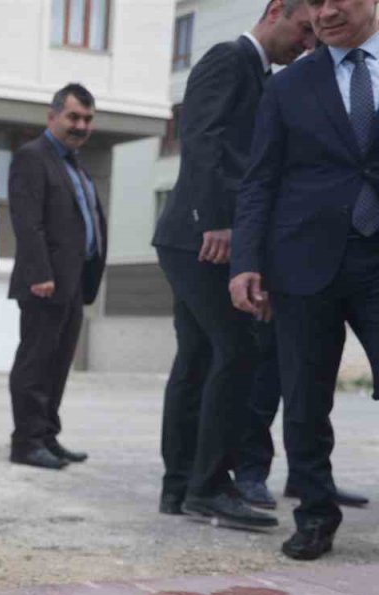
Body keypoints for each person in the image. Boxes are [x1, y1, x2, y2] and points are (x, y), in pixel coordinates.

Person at [153, 0, 316, 528]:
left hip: (196, 235)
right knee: (238, 349)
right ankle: (207, 486)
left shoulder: (262, 75)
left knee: (197, 357)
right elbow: (201, 139)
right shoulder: (228, 58)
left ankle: (180, 486)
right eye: (304, 30)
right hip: (201, 237)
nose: (308, 45)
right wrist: (218, 220)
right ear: (276, 11)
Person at [231, 0, 379, 560]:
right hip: (303, 262)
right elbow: (259, 180)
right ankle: (315, 514)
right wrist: (247, 261)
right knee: (304, 402)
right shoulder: (289, 86)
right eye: (313, 3)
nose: (325, 12)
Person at [6, 83, 108, 470]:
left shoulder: (74, 164)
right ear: (52, 117)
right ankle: (26, 442)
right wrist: (39, 273)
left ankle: (46, 436)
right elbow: (27, 221)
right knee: (35, 364)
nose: (81, 125)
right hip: (44, 283)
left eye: (87, 119)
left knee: (59, 363)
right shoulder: (32, 157)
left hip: (73, 283)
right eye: (73, 117)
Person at [233, 319, 370, 509]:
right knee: (264, 378)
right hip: (277, 295)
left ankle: (307, 477)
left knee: (311, 385)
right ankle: (250, 473)